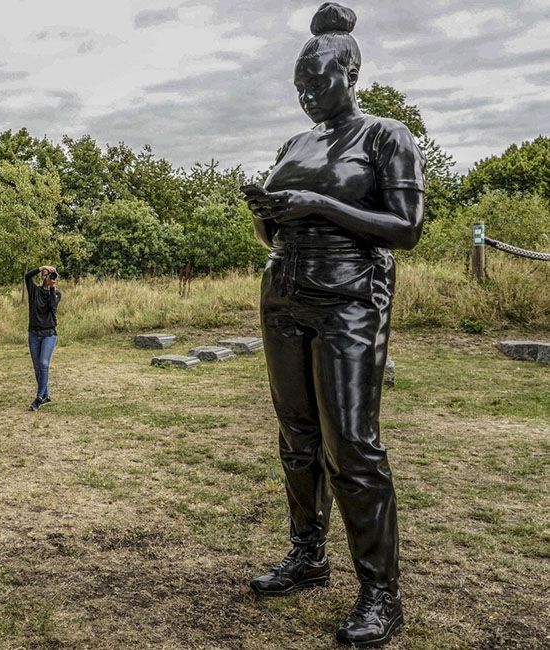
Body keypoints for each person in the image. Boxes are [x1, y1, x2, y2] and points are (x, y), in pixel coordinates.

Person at [241, 3, 424, 647]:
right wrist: (266, 212)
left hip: (351, 295)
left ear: (349, 72)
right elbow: (273, 228)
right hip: (283, 290)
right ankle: (307, 554)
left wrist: (317, 201)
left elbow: (406, 229)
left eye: (316, 83)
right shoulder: (295, 144)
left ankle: (380, 592)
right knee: (297, 434)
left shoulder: (385, 136)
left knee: (352, 443)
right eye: (298, 88)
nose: (307, 96)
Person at [25, 265, 61, 412]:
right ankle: (46, 395)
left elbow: (52, 307)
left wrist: (52, 288)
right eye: (47, 274)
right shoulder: (34, 291)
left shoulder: (57, 293)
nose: (49, 277)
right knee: (37, 368)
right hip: (33, 333)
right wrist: (41, 268)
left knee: (44, 363)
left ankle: (39, 398)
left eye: (52, 274)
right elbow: (27, 276)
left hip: (49, 334)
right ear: (42, 276)